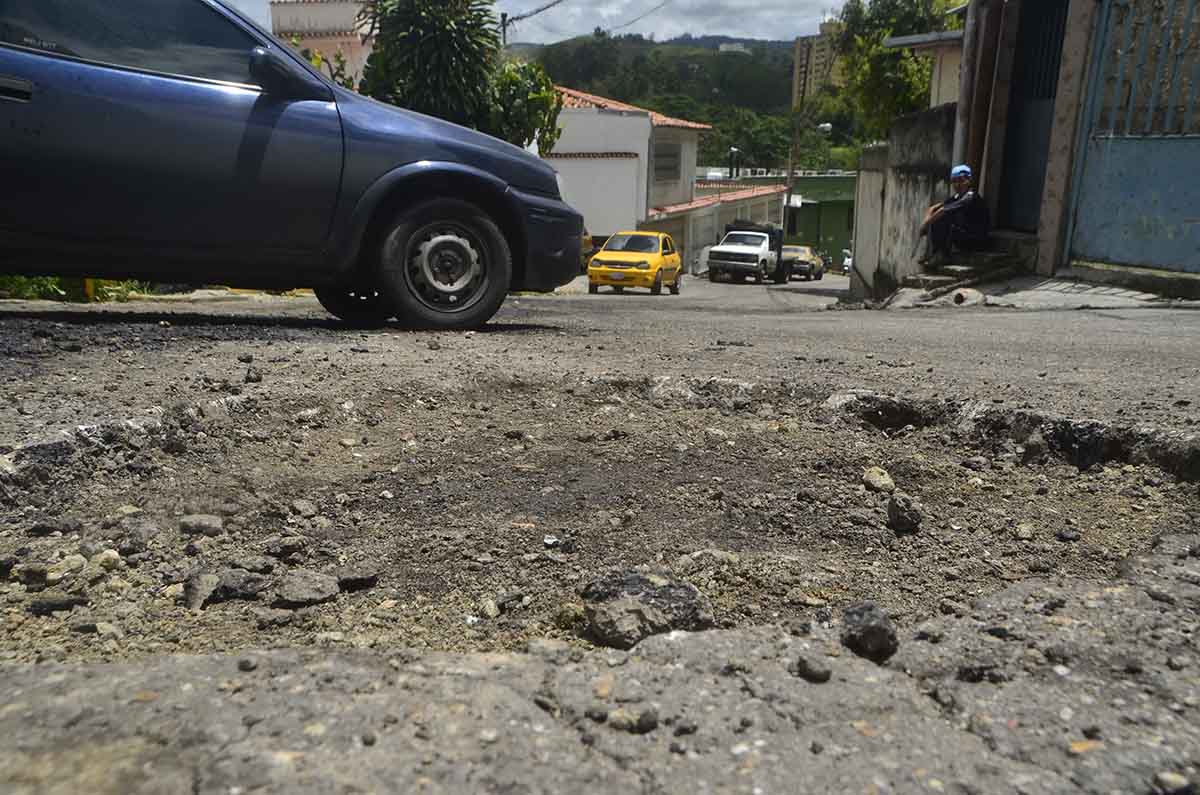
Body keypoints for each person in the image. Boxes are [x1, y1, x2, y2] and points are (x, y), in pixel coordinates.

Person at [919, 165, 990, 266]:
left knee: (942, 219)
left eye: (961, 180)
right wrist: (925, 222)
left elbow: (944, 211)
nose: (957, 184)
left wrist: (926, 224)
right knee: (937, 217)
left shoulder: (970, 197)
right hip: (965, 235)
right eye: (954, 181)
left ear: (969, 180)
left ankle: (942, 255)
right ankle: (934, 254)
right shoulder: (957, 197)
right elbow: (933, 208)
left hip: (977, 239)